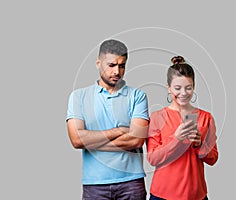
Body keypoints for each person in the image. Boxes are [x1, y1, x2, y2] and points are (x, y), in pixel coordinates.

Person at [66, 39, 149, 200]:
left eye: (122, 65)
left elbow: (137, 141)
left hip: (131, 182)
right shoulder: (78, 97)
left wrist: (91, 141)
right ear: (98, 63)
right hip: (95, 184)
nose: (117, 71)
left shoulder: (137, 96)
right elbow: (76, 140)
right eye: (111, 65)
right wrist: (119, 131)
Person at [146, 56, 218, 200]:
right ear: (168, 88)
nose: (183, 93)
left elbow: (213, 158)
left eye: (188, 88)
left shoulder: (206, 117)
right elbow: (153, 158)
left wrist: (199, 145)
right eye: (177, 88)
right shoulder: (158, 117)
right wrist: (176, 139)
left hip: (196, 195)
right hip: (162, 195)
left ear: (194, 87)